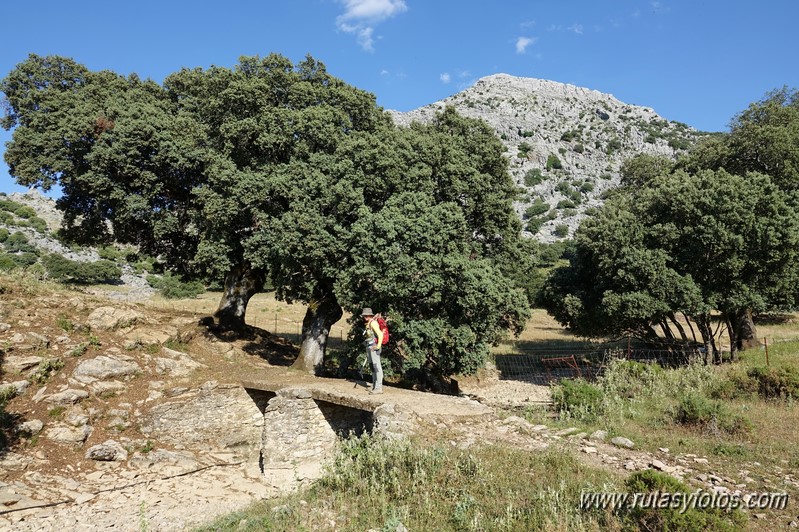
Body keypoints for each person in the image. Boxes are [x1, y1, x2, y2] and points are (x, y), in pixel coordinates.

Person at [361, 307, 384, 394]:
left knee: (376, 367)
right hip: (370, 347)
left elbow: (380, 334)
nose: (365, 317)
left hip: (374, 348)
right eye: (364, 316)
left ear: (370, 315)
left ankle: (378, 387)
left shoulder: (373, 323)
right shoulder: (369, 323)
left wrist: (378, 346)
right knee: (372, 367)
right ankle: (375, 386)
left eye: (367, 315)